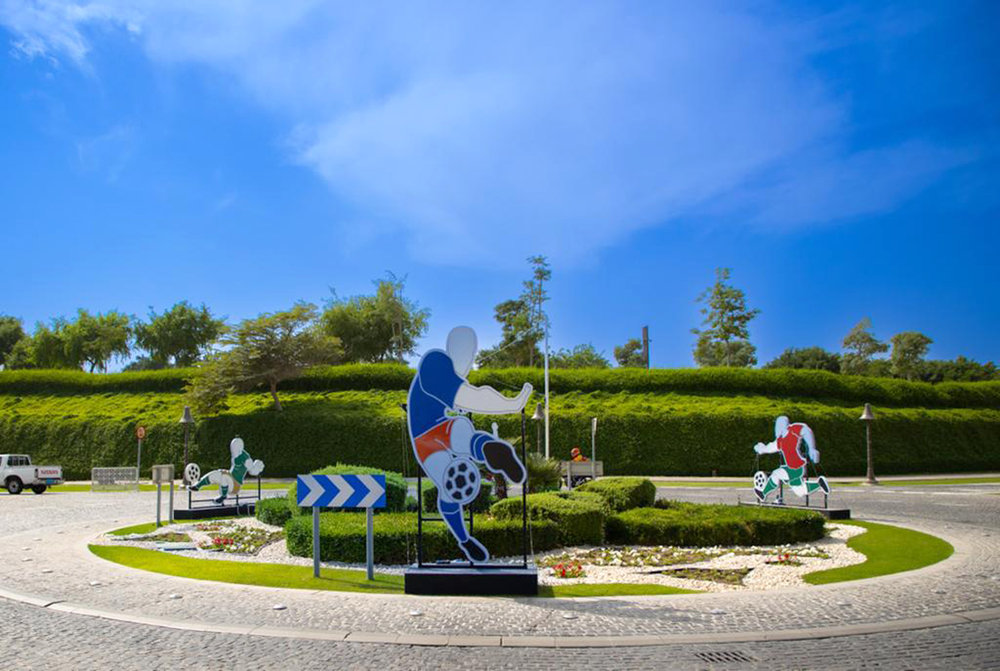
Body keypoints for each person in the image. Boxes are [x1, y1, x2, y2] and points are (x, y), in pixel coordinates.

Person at [407, 326, 532, 562]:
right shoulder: (435, 364)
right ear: (454, 351)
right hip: (425, 436)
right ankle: (485, 448)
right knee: (461, 441)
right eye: (468, 355)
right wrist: (511, 404)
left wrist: (511, 403)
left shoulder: (446, 372)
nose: (469, 362)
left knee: (452, 468)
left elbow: (473, 394)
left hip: (434, 432)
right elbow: (472, 397)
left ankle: (464, 540)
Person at [753, 416, 829, 502]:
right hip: (792, 467)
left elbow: (806, 431)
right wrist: (761, 449)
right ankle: (820, 483)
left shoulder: (793, 430)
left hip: (796, 467)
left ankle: (763, 493)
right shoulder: (780, 441)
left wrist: (812, 448)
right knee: (800, 492)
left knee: (776, 474)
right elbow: (770, 448)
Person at [190, 437, 265, 504]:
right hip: (230, 478)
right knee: (215, 473)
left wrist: (257, 467)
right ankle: (197, 486)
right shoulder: (236, 455)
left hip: (236, 485)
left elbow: (251, 470)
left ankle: (223, 496)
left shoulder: (246, 458)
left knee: (224, 477)